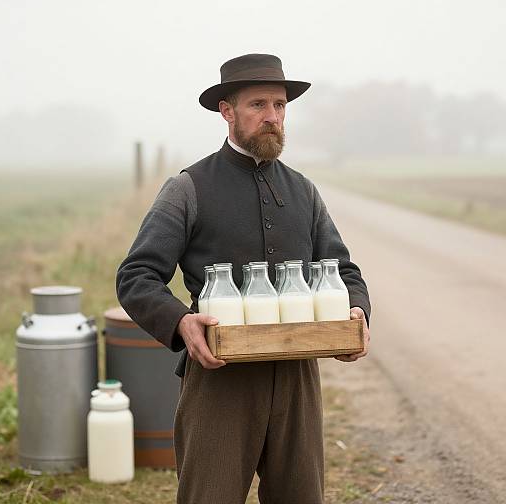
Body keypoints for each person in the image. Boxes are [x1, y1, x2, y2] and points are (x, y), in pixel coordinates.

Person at [116, 53, 371, 504]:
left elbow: (343, 268)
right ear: (227, 111)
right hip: (219, 378)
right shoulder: (188, 188)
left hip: (297, 378)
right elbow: (137, 275)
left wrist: (356, 311)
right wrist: (181, 322)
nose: (272, 117)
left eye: (280, 105)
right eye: (258, 105)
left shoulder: (303, 191)